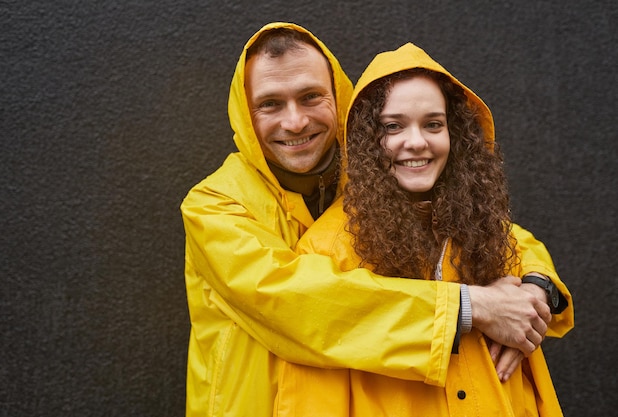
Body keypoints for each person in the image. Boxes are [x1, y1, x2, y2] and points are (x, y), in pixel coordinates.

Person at [180, 22, 571, 416]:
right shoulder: (213, 205)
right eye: (270, 104)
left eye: (311, 96)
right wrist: (474, 307)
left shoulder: (377, 174)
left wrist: (536, 288)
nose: (295, 121)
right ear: (245, 114)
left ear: (340, 97)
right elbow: (291, 302)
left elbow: (494, 231)